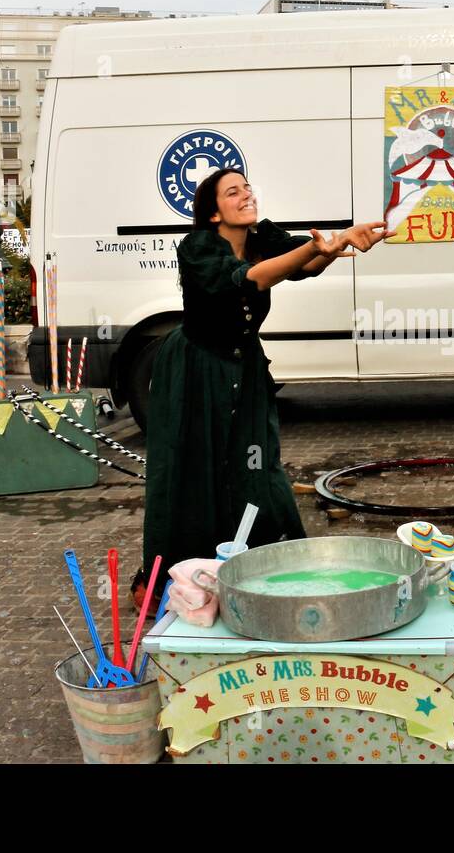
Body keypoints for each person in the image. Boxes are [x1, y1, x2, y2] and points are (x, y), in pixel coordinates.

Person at [134, 169, 388, 607]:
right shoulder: (197, 248)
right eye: (233, 192)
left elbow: (304, 263)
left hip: (244, 368)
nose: (246, 194)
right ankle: (173, 579)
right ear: (214, 212)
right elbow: (251, 279)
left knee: (258, 462)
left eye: (248, 188)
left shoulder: (262, 236)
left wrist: (339, 242)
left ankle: (267, 561)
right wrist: (319, 244)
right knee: (191, 471)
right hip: (195, 371)